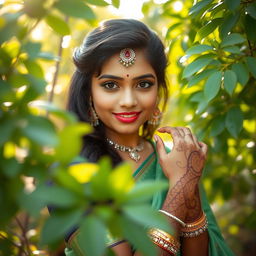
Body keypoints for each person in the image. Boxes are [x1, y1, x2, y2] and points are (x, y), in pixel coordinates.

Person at [65, 19, 234, 256]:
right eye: (111, 85)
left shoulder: (174, 155)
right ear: (89, 93)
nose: (128, 101)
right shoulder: (71, 172)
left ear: (158, 89)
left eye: (143, 84)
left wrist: (189, 189)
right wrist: (181, 187)